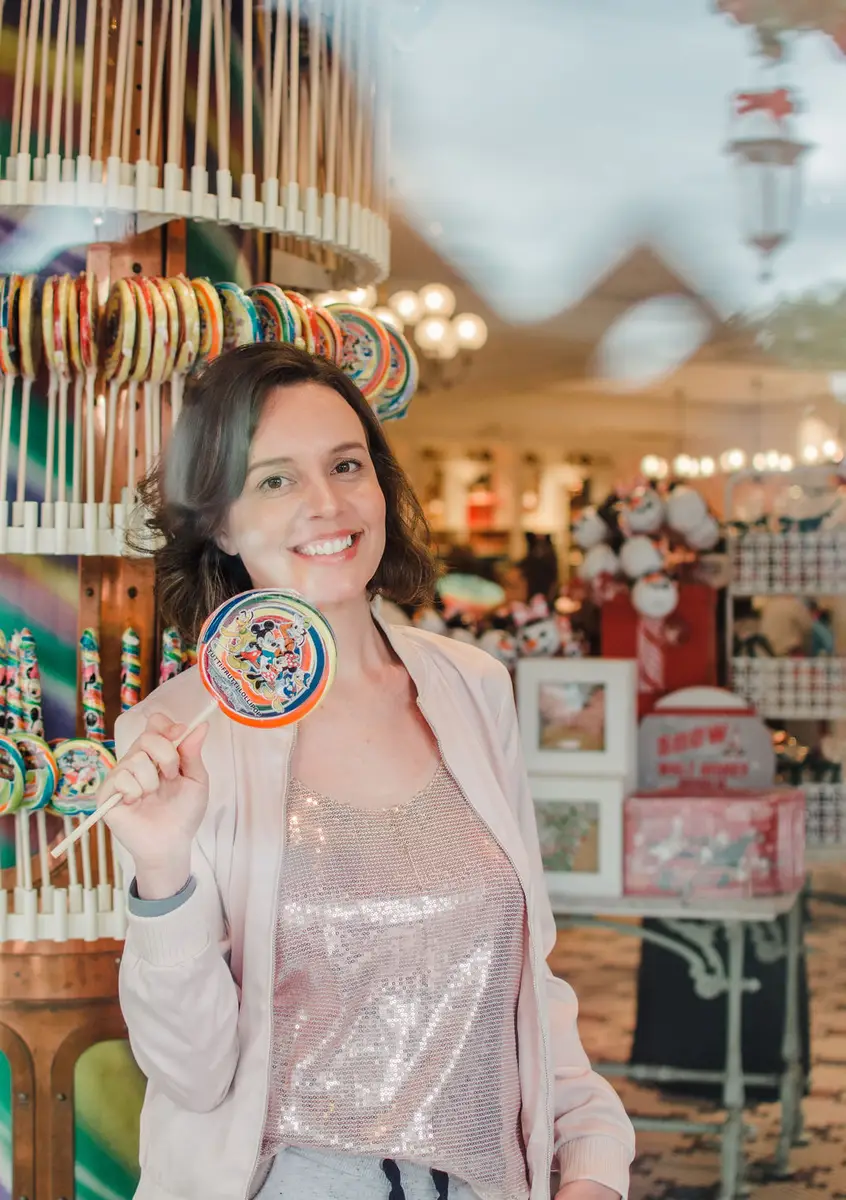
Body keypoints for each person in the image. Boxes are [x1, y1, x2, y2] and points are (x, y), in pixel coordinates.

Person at [101, 344, 634, 1200]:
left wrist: (595, 1161)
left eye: (347, 465)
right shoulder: (174, 734)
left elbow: (529, 979)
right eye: (274, 480)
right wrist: (163, 872)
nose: (327, 504)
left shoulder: (473, 689)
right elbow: (193, 1078)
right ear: (222, 524)